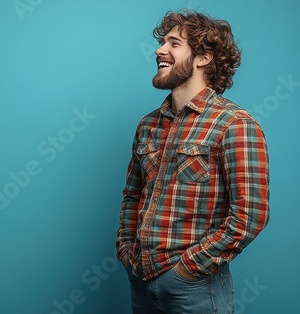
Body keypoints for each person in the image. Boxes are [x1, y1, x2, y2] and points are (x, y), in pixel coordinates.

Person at [115, 10, 270, 314]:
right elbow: (132, 195)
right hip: (141, 280)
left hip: (193, 287)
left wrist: (187, 270)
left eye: (174, 44)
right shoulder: (148, 125)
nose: (160, 50)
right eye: (163, 43)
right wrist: (126, 252)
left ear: (204, 58)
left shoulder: (234, 124)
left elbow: (250, 215)